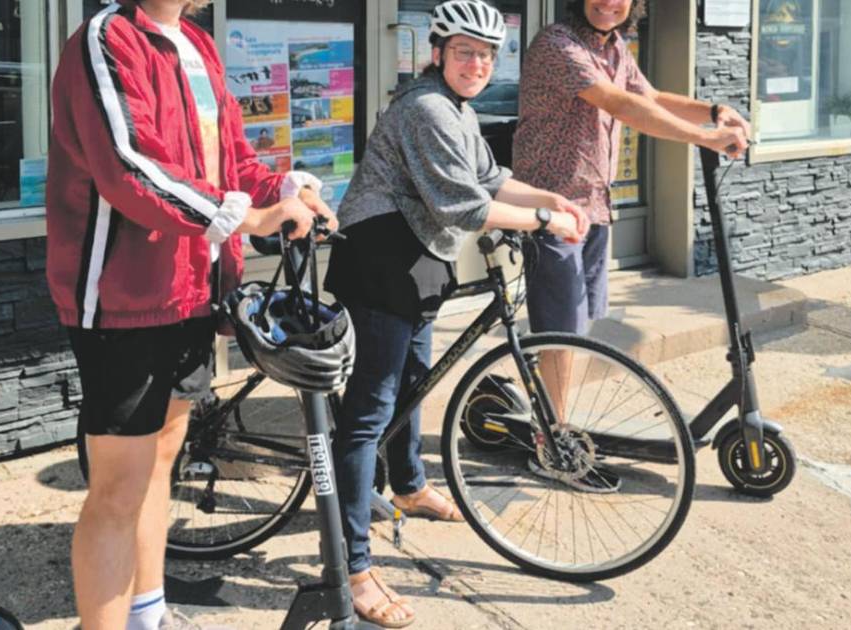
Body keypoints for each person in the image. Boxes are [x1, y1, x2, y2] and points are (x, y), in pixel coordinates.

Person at [45, 1, 335, 629]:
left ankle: (147, 613)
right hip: (124, 296)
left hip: (193, 290)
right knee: (117, 490)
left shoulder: (198, 45)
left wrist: (285, 191)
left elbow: (231, 161)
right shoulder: (108, 37)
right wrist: (246, 217)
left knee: (160, 467)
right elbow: (130, 167)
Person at [322, 1, 588, 627]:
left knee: (415, 382)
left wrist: (550, 197)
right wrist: (544, 219)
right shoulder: (426, 108)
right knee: (370, 410)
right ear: (437, 53)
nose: (477, 64)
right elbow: (464, 207)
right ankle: (351, 568)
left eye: (487, 55)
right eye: (465, 51)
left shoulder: (460, 111)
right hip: (381, 259)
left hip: (417, 259)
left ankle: (410, 485)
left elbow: (491, 179)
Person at [512, 0, 752, 453]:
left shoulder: (615, 47)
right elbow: (619, 103)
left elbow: (650, 98)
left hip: (594, 206)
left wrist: (713, 111)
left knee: (575, 328)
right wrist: (704, 138)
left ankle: (550, 414)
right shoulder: (557, 44)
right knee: (559, 331)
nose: (609, 2)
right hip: (553, 208)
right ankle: (552, 439)